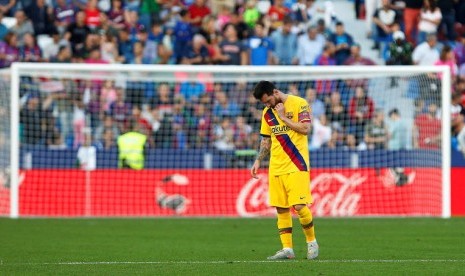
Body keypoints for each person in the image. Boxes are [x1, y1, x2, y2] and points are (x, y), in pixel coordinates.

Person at [250, 80, 319, 260]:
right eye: (264, 103)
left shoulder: (299, 103)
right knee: (281, 208)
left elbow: (305, 129)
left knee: (299, 206)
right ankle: (287, 249)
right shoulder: (267, 113)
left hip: (297, 163)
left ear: (275, 92)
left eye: (268, 101)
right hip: (276, 166)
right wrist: (258, 160)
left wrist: (284, 117)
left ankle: (311, 242)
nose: (267, 105)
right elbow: (266, 140)